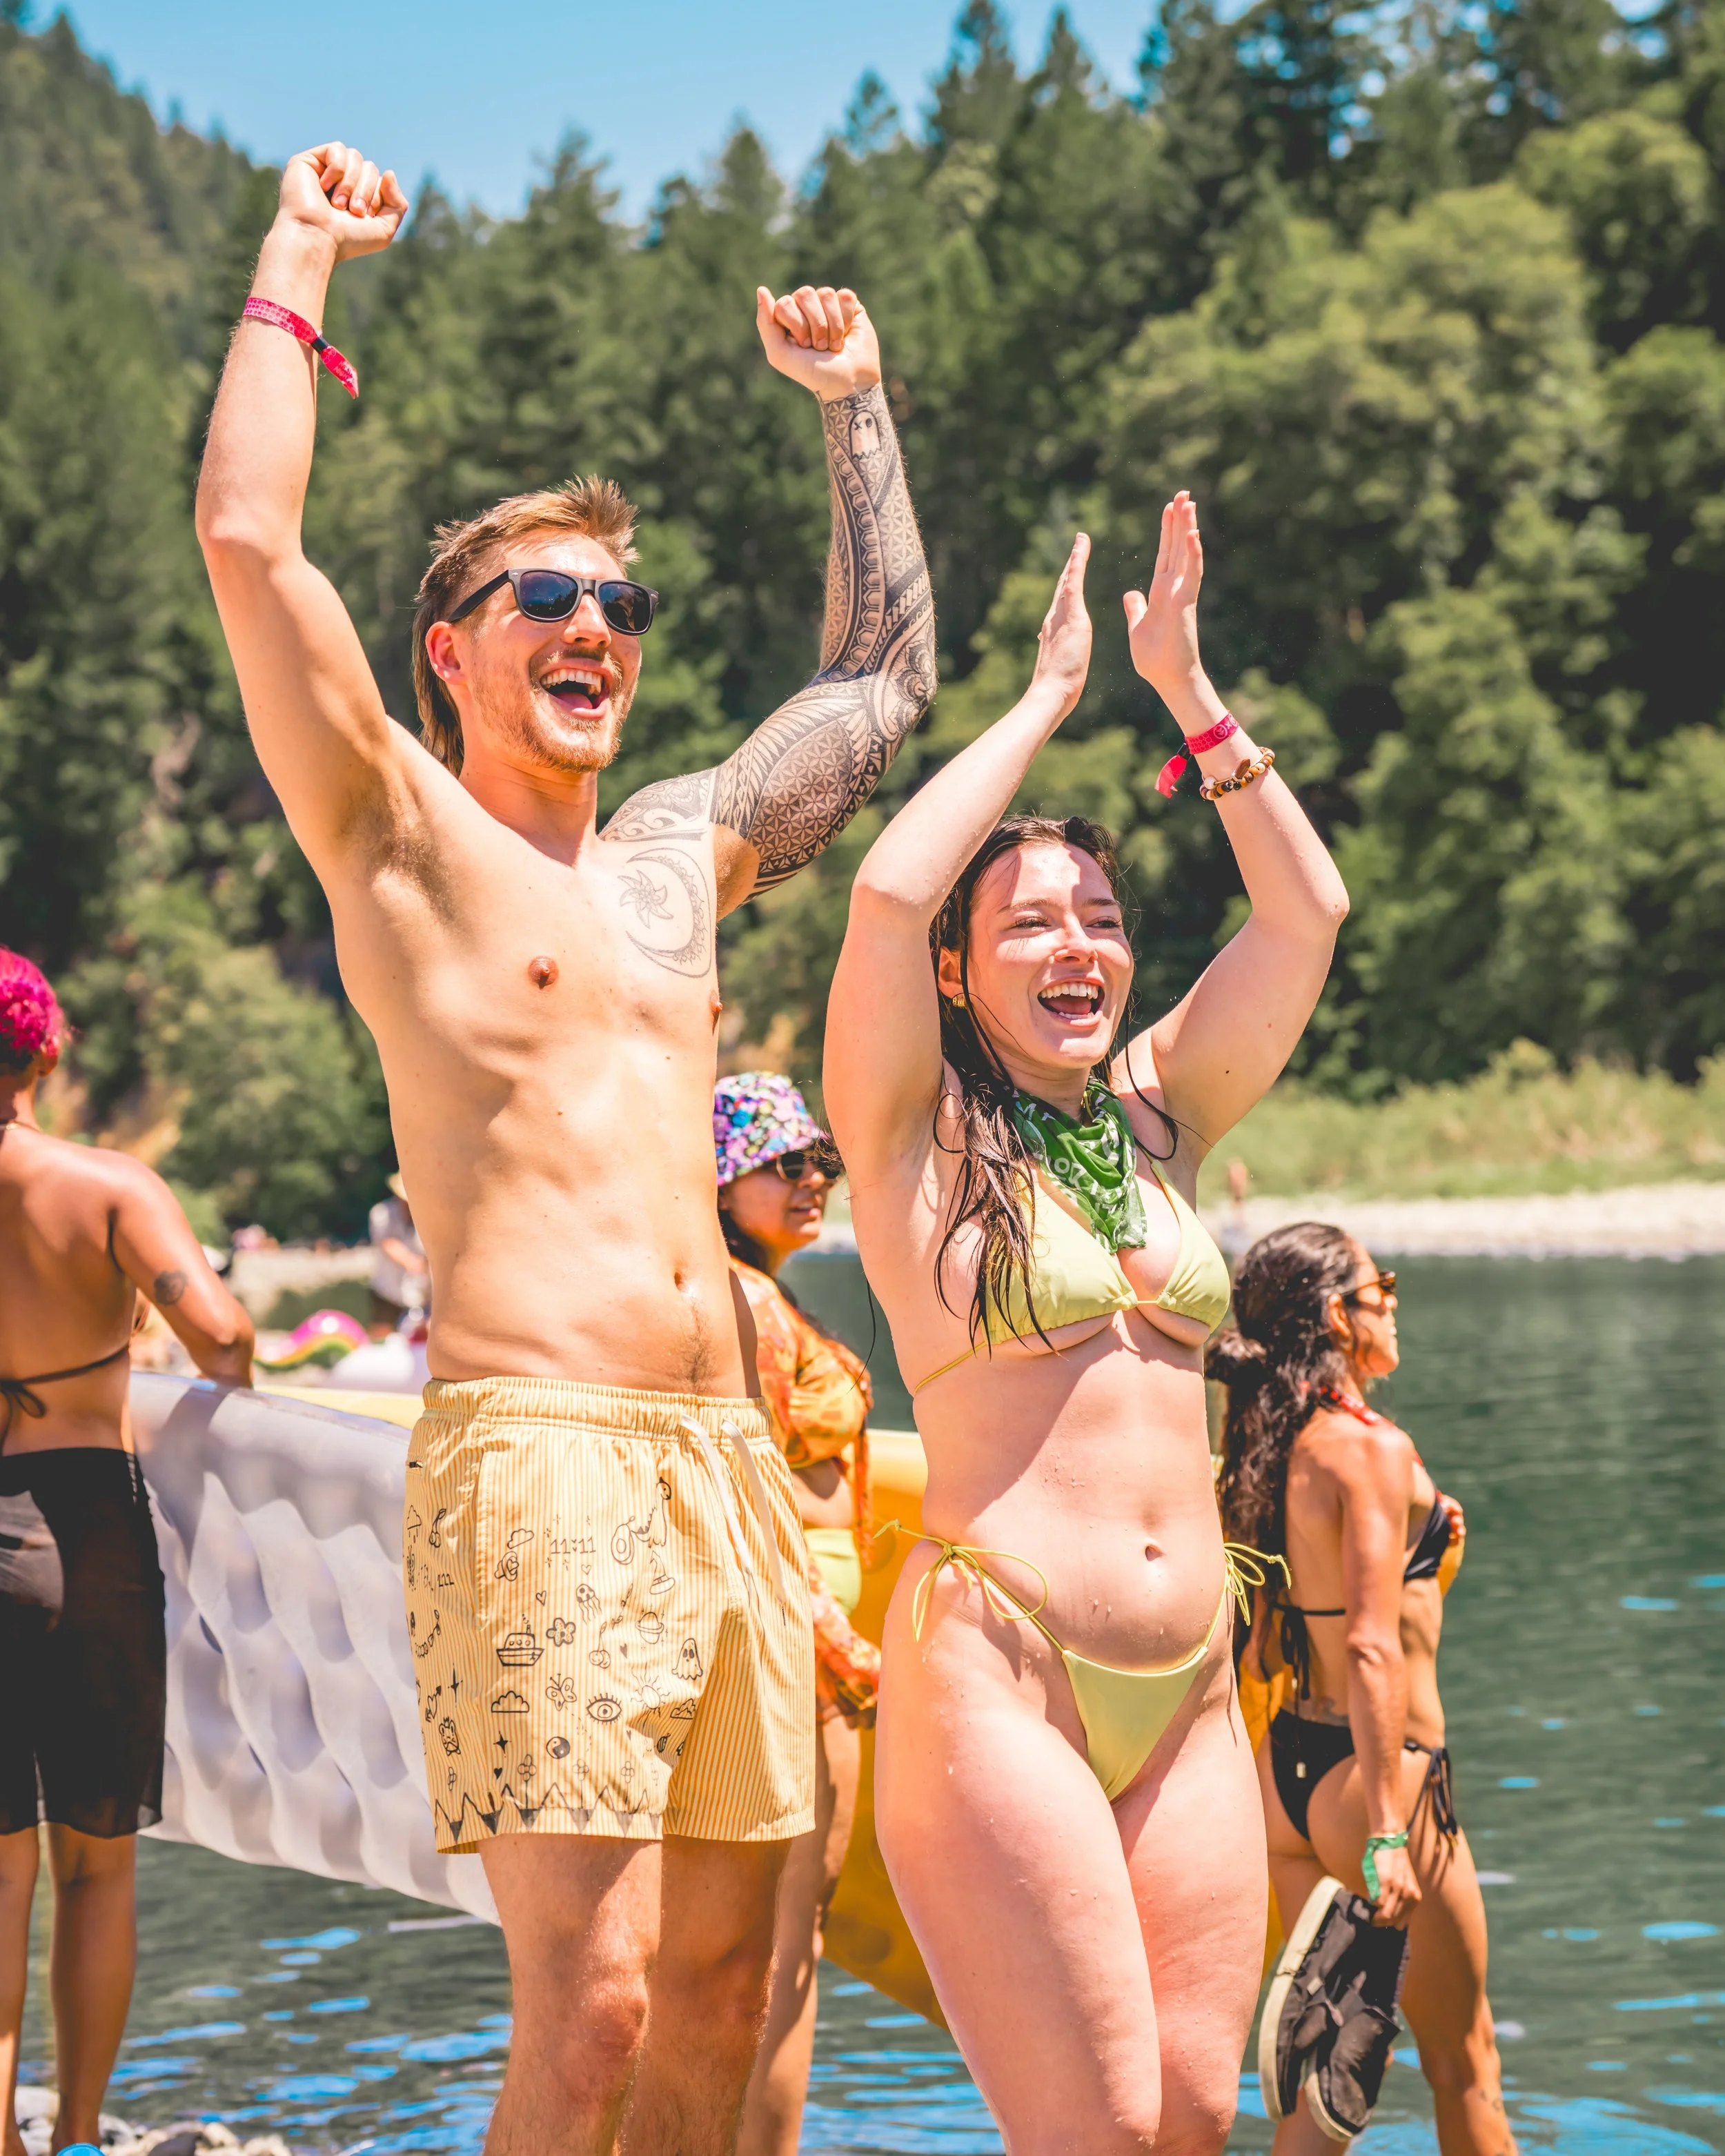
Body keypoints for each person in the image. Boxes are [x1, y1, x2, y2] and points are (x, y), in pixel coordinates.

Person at [195, 140, 934, 2156]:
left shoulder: (677, 861)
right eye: (547, 595)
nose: (593, 620)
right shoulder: (401, 846)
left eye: (618, 598)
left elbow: (881, 682)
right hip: (537, 1454)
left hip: (732, 1470)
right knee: (594, 2009)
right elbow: (252, 548)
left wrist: (852, 405)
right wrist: (300, 254)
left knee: (728, 1996)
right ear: (450, 649)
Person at [822, 505, 1348, 2150]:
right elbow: (891, 885)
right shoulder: (908, 1128)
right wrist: (1046, 699)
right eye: (1031, 922)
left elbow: (1306, 914)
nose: (1077, 943)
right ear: (964, 974)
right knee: (1098, 2131)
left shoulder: (1154, 1118)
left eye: (1100, 916)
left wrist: (1189, 693)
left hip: (1192, 1683)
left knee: (1195, 2118)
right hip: (1003, 1671)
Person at [0, 951, 254, 2156]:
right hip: (87, 1533)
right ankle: (85, 2137)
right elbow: (223, 1332)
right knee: (94, 1872)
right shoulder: (107, 1188)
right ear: (47, 1055)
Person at [1212, 1226, 1517, 2155]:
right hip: (1376, 1782)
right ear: (1340, 1314)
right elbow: (1377, 1648)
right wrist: (1389, 1828)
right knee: (1465, 2063)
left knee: (1330, 2090)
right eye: (1381, 1284)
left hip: (1291, 1784)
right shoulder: (1368, 1450)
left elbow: (1262, 1648)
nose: (1395, 1300)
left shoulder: (1269, 1444)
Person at [711, 1073, 879, 2156]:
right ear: (721, 1180)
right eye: (785, 1163)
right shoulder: (750, 1302)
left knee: (751, 1948)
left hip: (780, 1633)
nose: (813, 1179)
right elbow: (751, 1487)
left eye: (822, 1161)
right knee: (783, 1950)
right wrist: (839, 1644)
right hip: (794, 1643)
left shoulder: (744, 1289)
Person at [368, 1172, 429, 1335]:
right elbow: (387, 1243)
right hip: (386, 1292)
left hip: (419, 1295)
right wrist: (411, 1262)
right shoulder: (382, 1213)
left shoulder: (426, 1216)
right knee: (381, 1337)